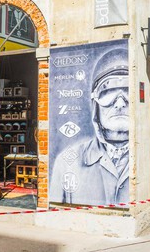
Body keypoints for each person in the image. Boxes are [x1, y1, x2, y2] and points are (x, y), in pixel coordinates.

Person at [51, 46, 130, 205]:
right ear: (95, 105)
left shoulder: (148, 158)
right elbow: (56, 210)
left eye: (128, 92)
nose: (120, 103)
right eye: (108, 93)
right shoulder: (68, 162)